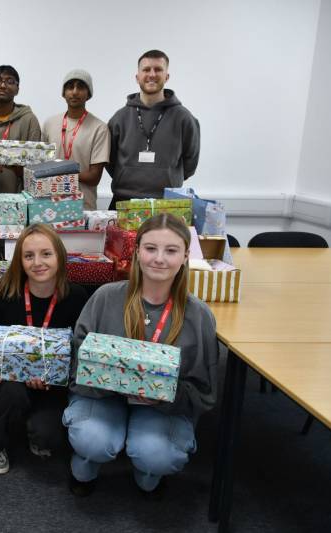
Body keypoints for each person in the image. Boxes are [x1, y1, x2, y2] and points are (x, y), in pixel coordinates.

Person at [63, 213, 218, 497]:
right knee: (93, 440)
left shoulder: (198, 316)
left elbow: (203, 390)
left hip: (161, 408)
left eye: (171, 250)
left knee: (157, 454)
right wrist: (104, 380)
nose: (159, 258)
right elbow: (76, 362)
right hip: (102, 397)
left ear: (185, 256)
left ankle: (148, 470)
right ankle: (85, 466)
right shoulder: (105, 297)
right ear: (137, 252)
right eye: (150, 248)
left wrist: (165, 396)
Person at [0, 223, 89, 474]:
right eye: (28, 256)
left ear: (60, 256)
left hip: (51, 388)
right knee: (11, 394)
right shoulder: (0, 295)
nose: (38, 262)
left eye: (46, 254)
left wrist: (55, 380)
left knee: (48, 436)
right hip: (4, 386)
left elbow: (78, 356)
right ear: (20, 261)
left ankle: (33, 431)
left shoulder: (76, 297)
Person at [106, 50, 200, 208]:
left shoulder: (184, 118)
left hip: (168, 204)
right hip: (123, 202)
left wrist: (168, 176)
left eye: (158, 69)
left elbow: (190, 165)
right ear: (137, 77)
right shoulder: (119, 118)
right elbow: (110, 161)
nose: (152, 74)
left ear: (167, 76)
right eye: (146, 69)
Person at [41, 69, 110, 210]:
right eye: (70, 86)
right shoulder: (49, 124)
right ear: (64, 93)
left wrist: (57, 171)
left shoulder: (99, 128)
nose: (75, 91)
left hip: (83, 207)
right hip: (49, 205)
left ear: (88, 93)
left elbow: (94, 177)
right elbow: (41, 166)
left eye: (81, 87)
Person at [0, 65, 42, 193]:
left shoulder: (29, 120)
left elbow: (36, 164)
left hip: (20, 198)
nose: (3, 86)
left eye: (10, 82)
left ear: (17, 89)